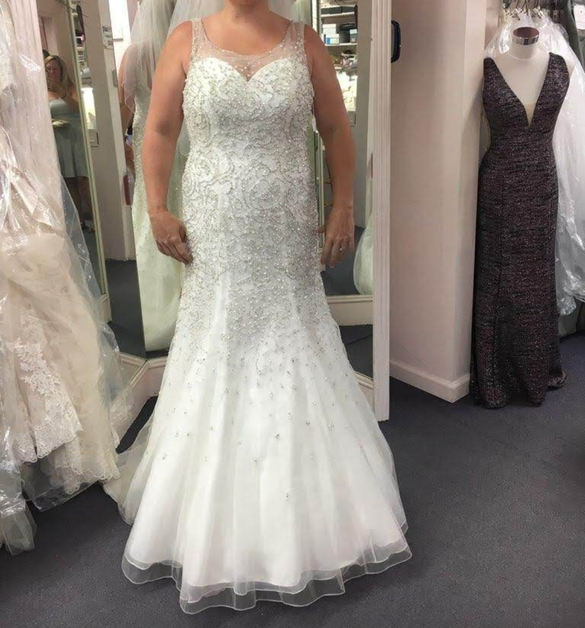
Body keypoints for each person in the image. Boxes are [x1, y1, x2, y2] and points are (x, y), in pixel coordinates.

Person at [105, 0, 410, 614]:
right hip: (215, 224)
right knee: (218, 335)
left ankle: (306, 506)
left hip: (285, 221)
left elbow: (336, 129)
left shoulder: (305, 41)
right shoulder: (185, 40)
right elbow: (158, 130)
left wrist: (344, 205)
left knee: (292, 333)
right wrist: (157, 207)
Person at [45, 55, 93, 229]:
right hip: (59, 137)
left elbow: (78, 108)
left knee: (83, 179)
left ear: (61, 70)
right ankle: (80, 222)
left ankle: (96, 219)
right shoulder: (42, 91)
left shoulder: (71, 87)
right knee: (69, 181)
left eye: (55, 69)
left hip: (76, 136)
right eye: (48, 69)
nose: (51, 72)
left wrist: (62, 92)